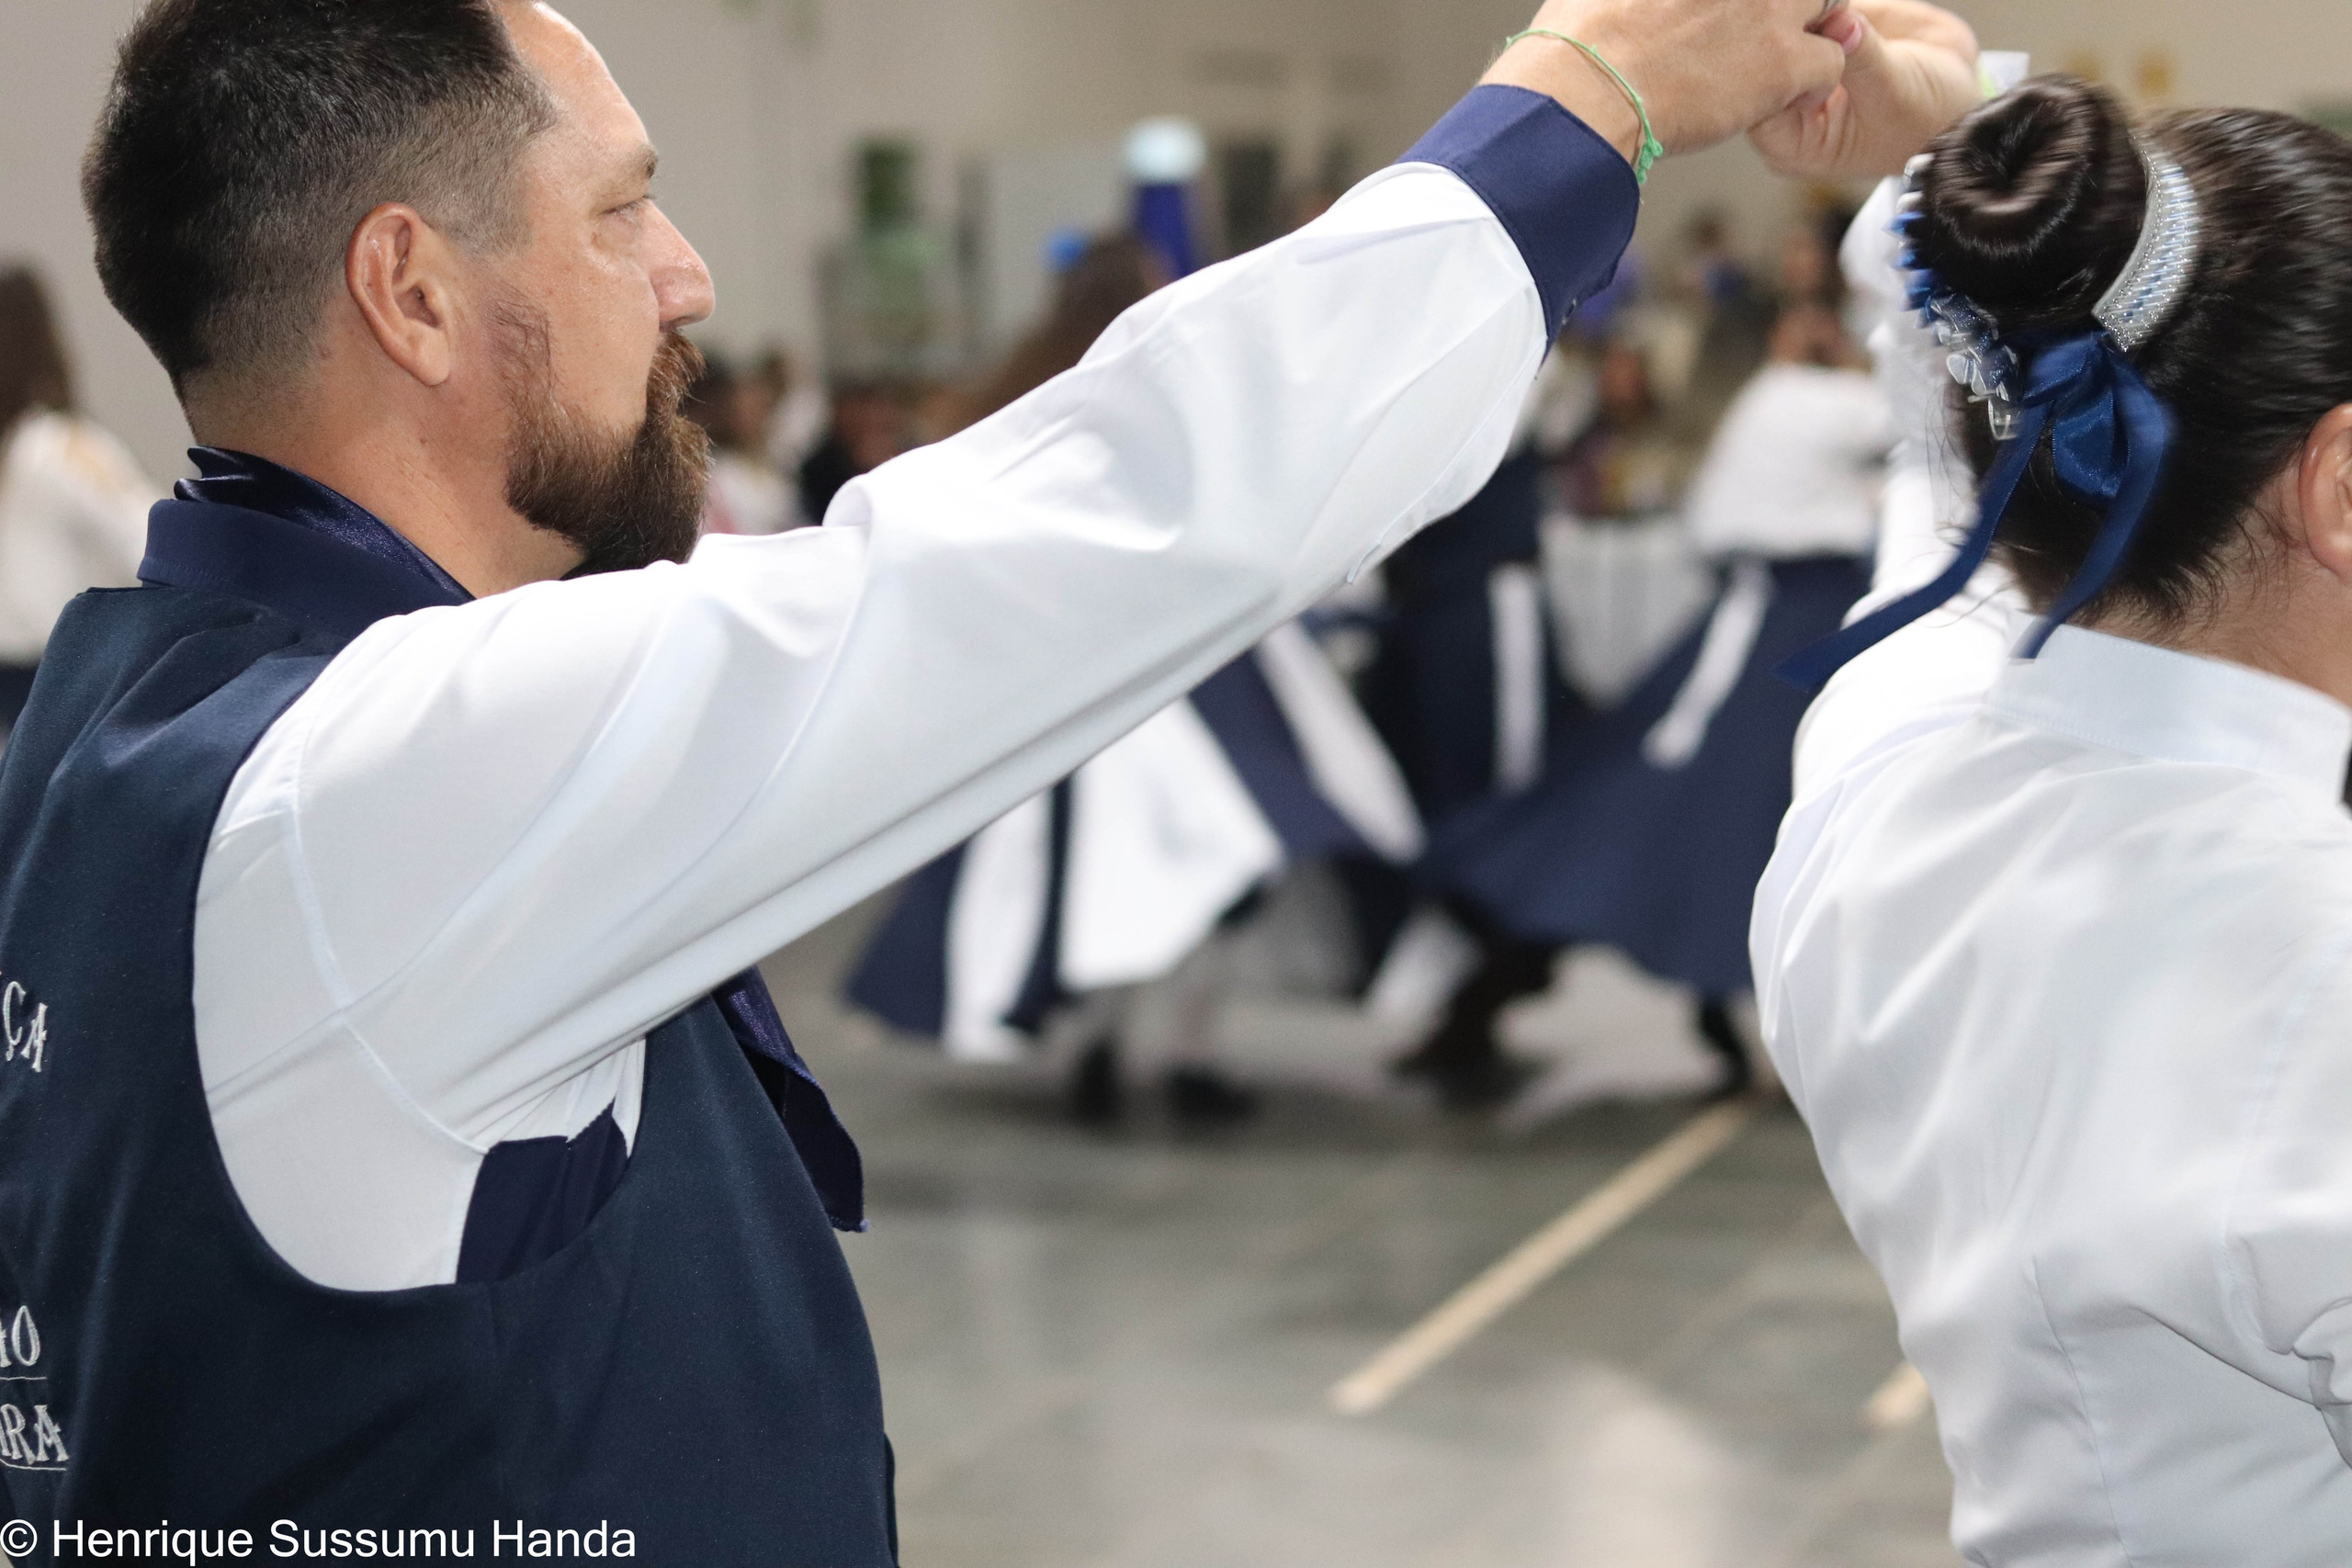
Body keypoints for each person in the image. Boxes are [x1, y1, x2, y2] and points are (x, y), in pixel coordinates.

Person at [0, 0, 1954, 1553]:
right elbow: (1107, 514)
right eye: (616, 211)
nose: (685, 277)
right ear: (409, 289)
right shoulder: (368, 787)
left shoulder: (118, 728)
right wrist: (1592, 93)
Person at [1756, 73, 2352, 1562]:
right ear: (2341, 488)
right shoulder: (2315, 969)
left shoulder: (1879, 777)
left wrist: (1980, 159)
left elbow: (1945, 458)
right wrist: (1949, 136)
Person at [849, 234, 1424, 1126]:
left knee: (1134, 873)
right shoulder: (1144, 379)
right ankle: (1162, 1049)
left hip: (1089, 670)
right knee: (1209, 864)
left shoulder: (1018, 392)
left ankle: (1115, 1047)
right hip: (1161, 668)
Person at [1427, 293, 1888, 1102]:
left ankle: (1680, 1007)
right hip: (1784, 628)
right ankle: (1523, 985)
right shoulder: (1812, 402)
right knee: (1713, 820)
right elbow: (1934, 418)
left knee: (1692, 818)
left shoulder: (1777, 399)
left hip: (1776, 625)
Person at [0, 267, 153, 731]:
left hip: (44, 681)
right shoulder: (47, 447)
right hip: (33, 683)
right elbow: (151, 541)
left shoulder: (53, 449)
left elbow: (144, 540)